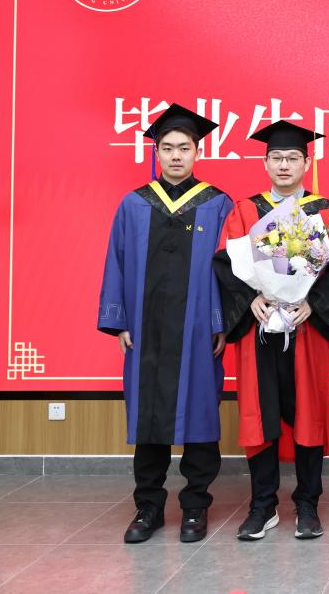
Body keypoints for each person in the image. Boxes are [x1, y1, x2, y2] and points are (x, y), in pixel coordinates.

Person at [213, 121, 329, 541]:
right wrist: (250, 299)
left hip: (306, 328)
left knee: (309, 415)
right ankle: (263, 506)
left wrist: (313, 304)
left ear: (306, 163)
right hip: (258, 328)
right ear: (265, 163)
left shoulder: (327, 213)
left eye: (292, 158)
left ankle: (307, 504)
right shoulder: (245, 211)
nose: (283, 165)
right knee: (259, 415)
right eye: (276, 158)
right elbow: (227, 262)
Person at [98, 103, 233, 544]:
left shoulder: (217, 204)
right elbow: (116, 262)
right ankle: (148, 508)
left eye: (184, 148)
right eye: (168, 147)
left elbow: (229, 269)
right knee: (149, 418)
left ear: (198, 152)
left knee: (200, 415)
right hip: (146, 329)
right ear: (156, 152)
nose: (176, 155)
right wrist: (119, 320)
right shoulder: (134, 204)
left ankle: (195, 506)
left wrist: (220, 321)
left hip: (197, 331)